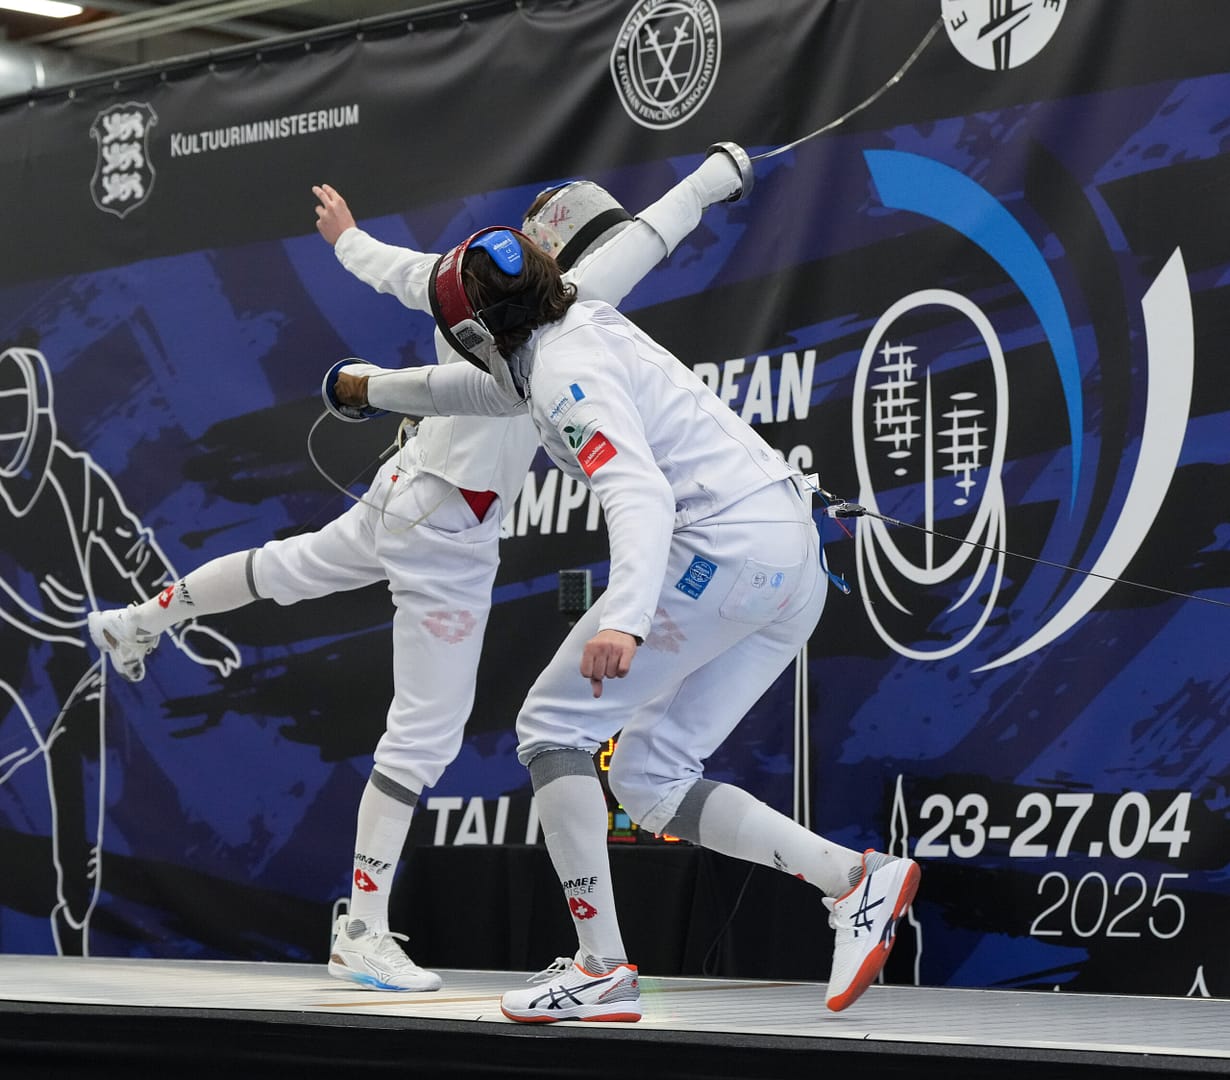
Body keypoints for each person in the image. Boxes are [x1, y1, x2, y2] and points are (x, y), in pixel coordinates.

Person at [86, 145, 754, 991]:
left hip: (400, 488)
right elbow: (654, 233)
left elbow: (395, 269)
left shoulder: (459, 285)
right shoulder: (574, 306)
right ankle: (361, 927)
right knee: (425, 732)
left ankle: (145, 617)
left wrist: (345, 236)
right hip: (447, 530)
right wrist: (721, 171)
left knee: (285, 568)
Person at [326, 226, 922, 1021]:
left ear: (476, 332)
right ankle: (856, 880)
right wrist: (368, 390)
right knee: (648, 779)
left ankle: (601, 967)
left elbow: (636, 492)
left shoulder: (567, 379)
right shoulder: (573, 328)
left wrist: (629, 620)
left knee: (549, 726)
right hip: (788, 563)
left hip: (720, 557)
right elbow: (472, 393)